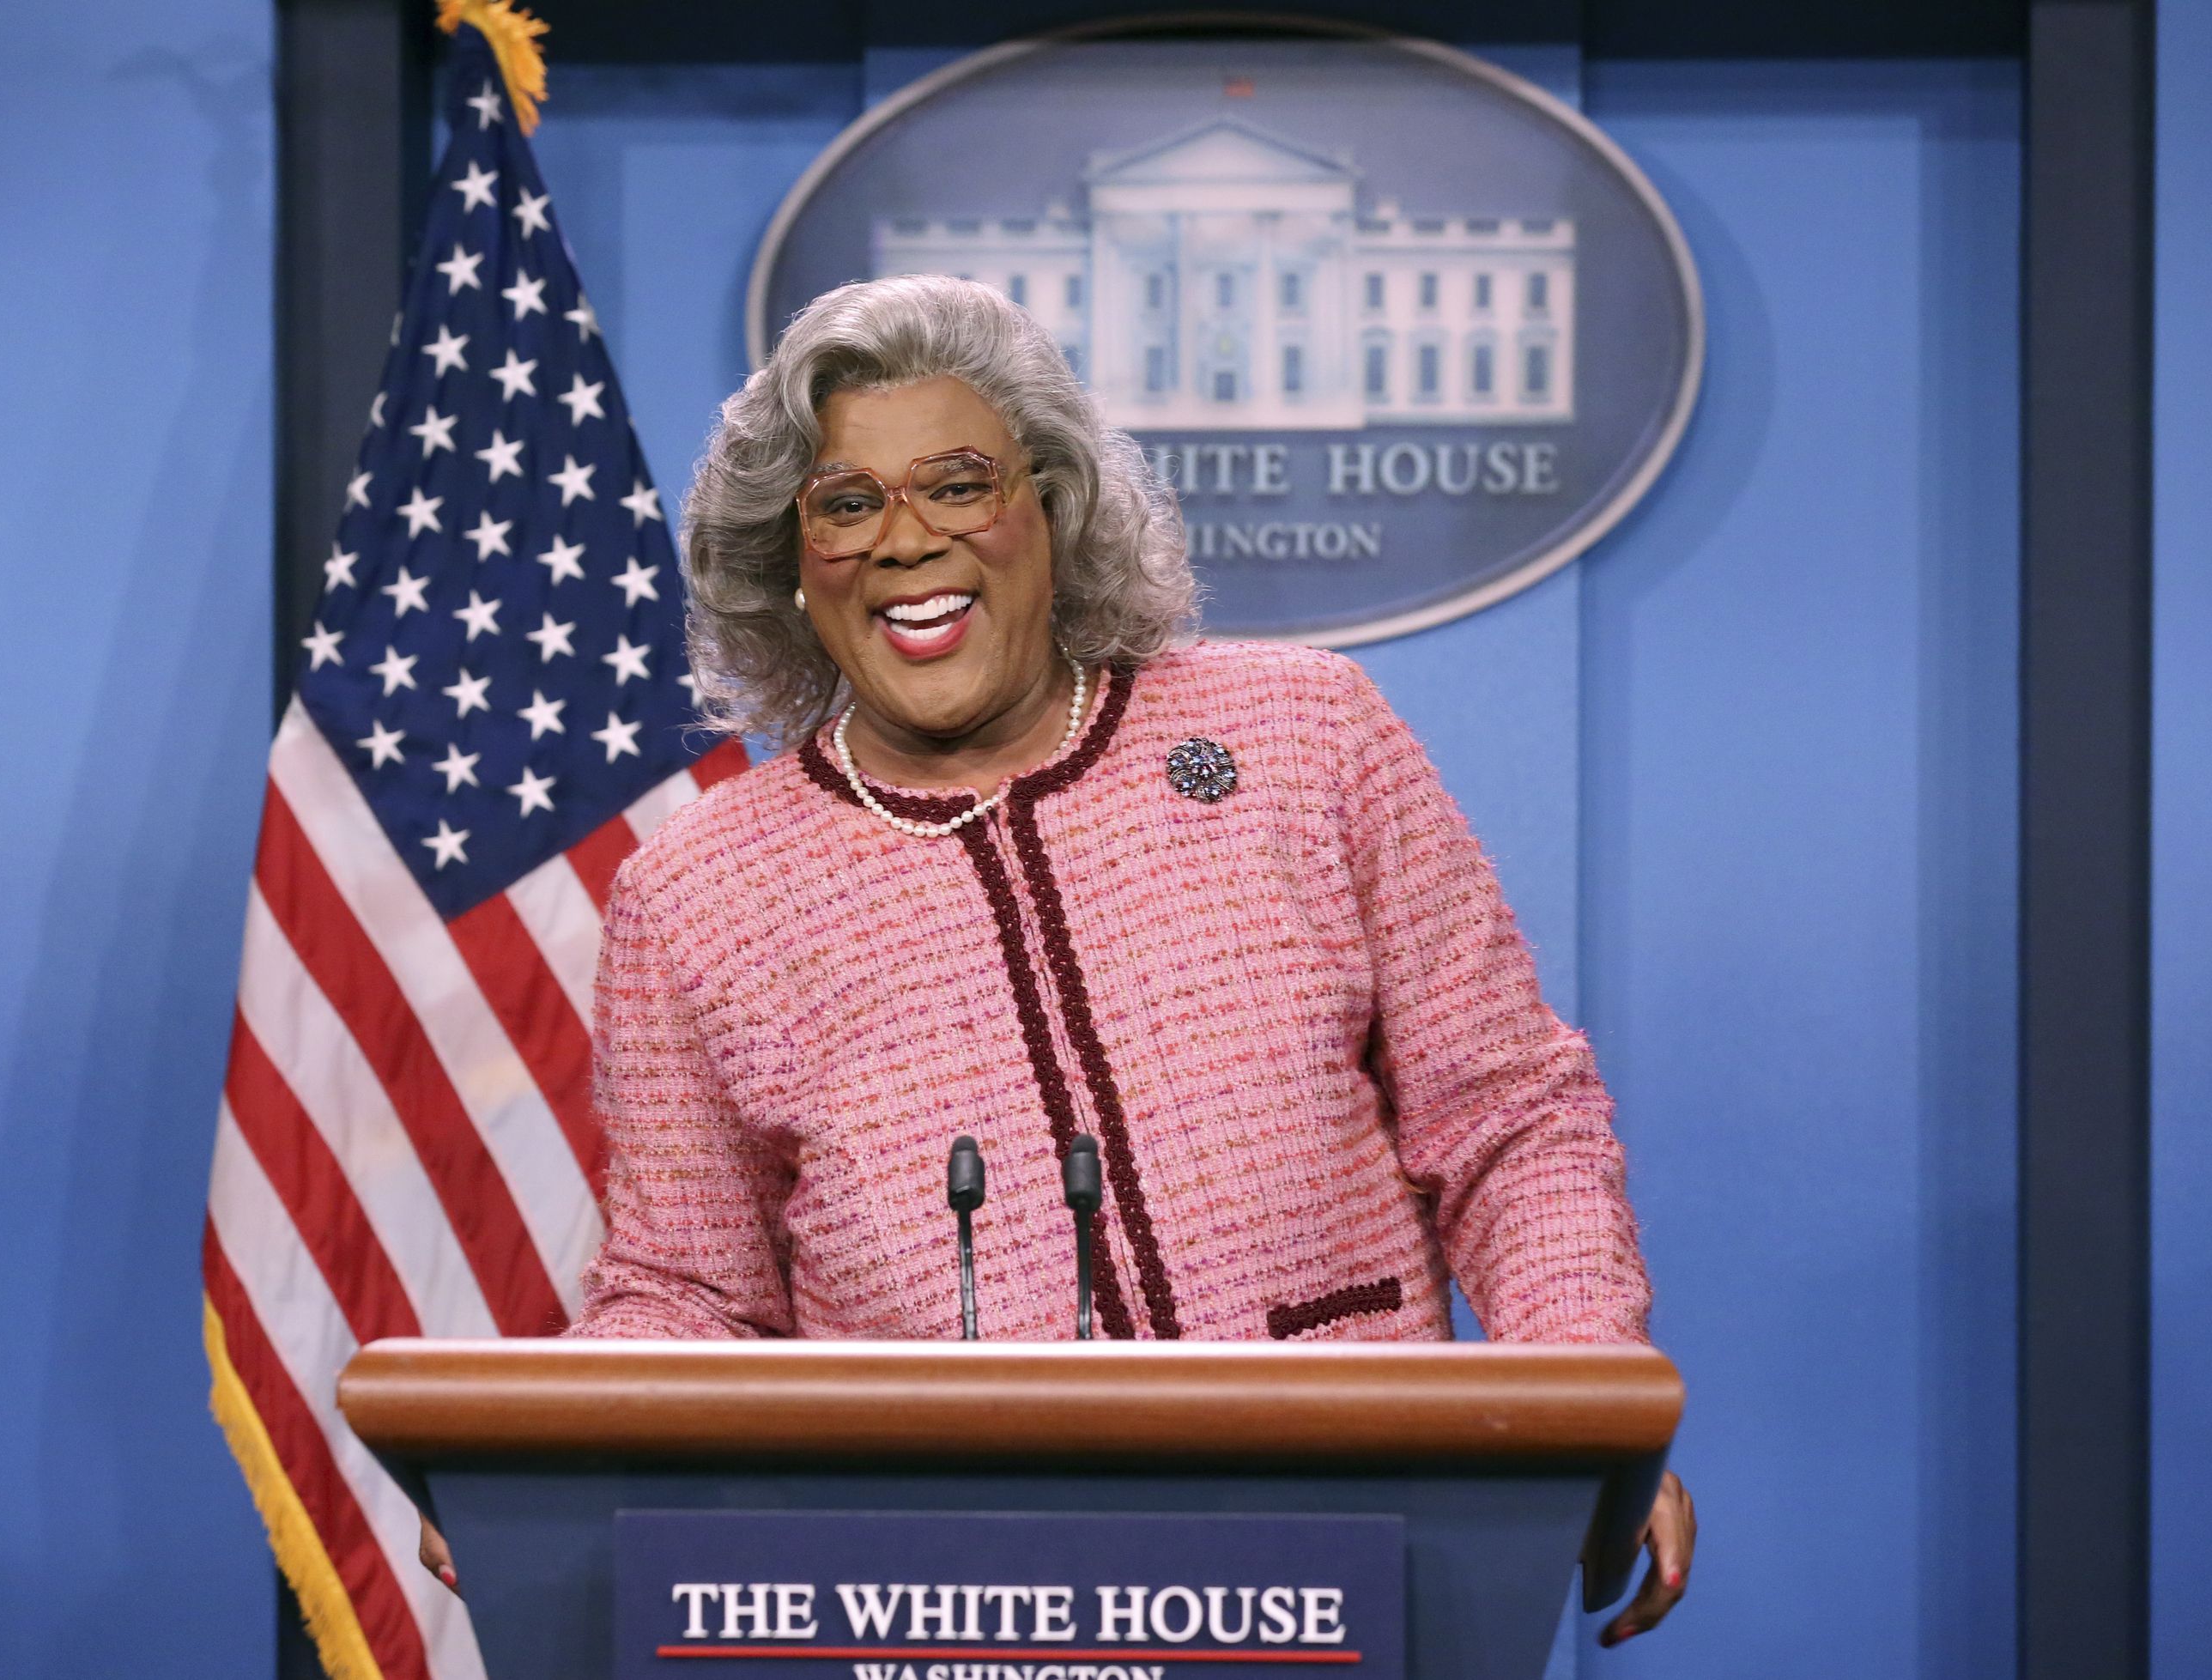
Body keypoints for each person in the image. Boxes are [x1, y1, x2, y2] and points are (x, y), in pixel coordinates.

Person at [421, 273, 1694, 1644]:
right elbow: (691, 1288)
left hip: (1354, 1544)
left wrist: (1584, 1397)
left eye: (958, 484)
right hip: (930, 1593)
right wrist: (535, 1462)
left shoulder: (1307, 736)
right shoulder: (695, 888)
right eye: (848, 505)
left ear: (1052, 507)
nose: (906, 541)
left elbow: (1510, 1117)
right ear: (792, 563)